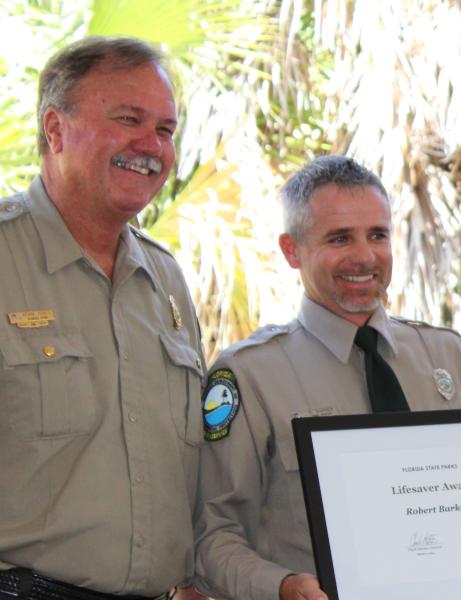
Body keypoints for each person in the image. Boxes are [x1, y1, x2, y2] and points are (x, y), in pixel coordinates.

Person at [192, 156, 461, 600]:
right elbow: (211, 536)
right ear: (292, 250)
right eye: (339, 238)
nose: (365, 256)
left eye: (378, 235)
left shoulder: (447, 354)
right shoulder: (248, 376)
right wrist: (283, 587)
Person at [0, 36, 206, 599]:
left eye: (165, 129)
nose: (151, 145)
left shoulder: (166, 281)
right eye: (128, 119)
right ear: (55, 129)